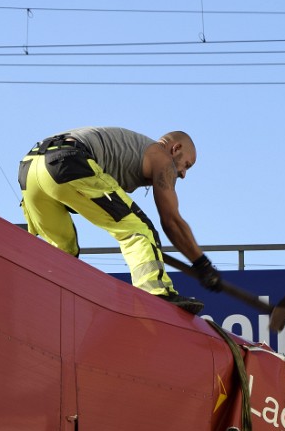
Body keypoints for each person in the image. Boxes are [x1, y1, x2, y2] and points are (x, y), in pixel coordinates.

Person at [18, 127, 222, 314]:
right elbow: (171, 220)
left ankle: (39, 301)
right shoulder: (161, 157)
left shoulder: (130, 149)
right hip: (67, 161)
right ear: (175, 148)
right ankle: (156, 294)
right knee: (139, 230)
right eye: (187, 164)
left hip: (31, 169)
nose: (184, 174)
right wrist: (202, 264)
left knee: (63, 251)